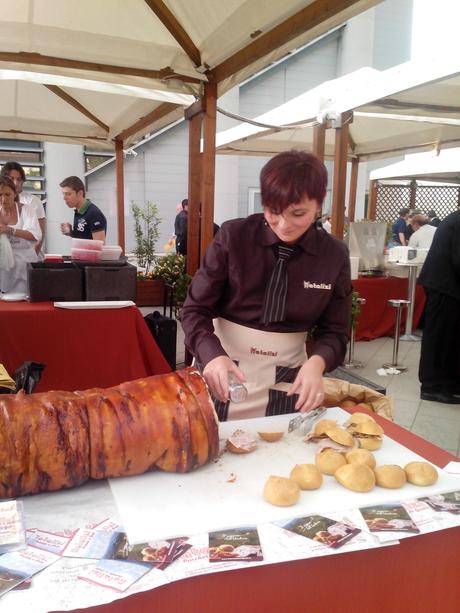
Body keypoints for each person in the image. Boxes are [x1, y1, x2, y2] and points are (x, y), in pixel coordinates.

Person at [181, 150, 352, 421]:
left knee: (278, 452)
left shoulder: (333, 256)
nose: (284, 225)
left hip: (287, 378)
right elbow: (194, 310)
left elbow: (336, 331)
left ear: (319, 204)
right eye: (274, 212)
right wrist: (211, 355)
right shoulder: (233, 237)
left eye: (298, 213)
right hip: (223, 368)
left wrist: (317, 363)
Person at [418, 208, 460, 404]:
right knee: (438, 338)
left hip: (447, 286)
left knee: (449, 339)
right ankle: (431, 387)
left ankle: (449, 382)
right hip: (444, 286)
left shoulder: (455, 218)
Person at [0, 175, 40, 295]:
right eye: (0, 195)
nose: (3, 199)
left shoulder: (27, 210)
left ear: (15, 194)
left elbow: (35, 235)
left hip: (24, 265)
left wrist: (9, 230)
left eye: (7, 194)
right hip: (3, 268)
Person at [1, 161, 46, 255]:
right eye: (11, 178)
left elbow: (39, 235)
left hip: (26, 258)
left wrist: (31, 258)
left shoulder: (33, 201)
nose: (15, 183)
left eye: (19, 179)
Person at [60, 176, 106, 241]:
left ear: (80, 193)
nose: (64, 198)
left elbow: (99, 245)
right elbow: (84, 238)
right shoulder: (79, 212)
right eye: (63, 194)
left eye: (68, 194)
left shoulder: (93, 214)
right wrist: (71, 233)